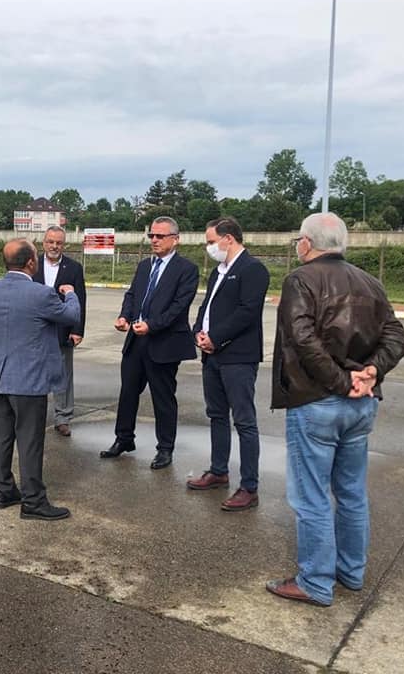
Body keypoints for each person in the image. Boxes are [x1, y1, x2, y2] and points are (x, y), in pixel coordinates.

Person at [266, 213, 404, 607]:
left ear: (307, 243)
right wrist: (371, 372)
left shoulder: (301, 280)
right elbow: (396, 337)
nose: (298, 245)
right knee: (351, 492)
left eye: (299, 239)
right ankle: (351, 571)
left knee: (311, 496)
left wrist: (346, 381)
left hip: (317, 401)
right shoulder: (370, 281)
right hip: (360, 404)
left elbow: (303, 339)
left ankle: (315, 581)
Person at [0, 239, 81, 520]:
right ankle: (33, 501)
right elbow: (71, 316)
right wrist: (71, 294)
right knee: (30, 441)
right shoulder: (41, 294)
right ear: (31, 262)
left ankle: (4, 490)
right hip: (29, 380)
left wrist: (7, 336)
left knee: (3, 437)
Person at [100, 216, 199, 470]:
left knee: (162, 397)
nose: (154, 240)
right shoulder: (145, 266)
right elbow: (132, 295)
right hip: (136, 340)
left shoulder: (186, 269)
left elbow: (179, 307)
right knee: (128, 392)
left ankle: (165, 448)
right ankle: (124, 439)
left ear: (175, 239)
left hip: (163, 343)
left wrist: (152, 325)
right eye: (151, 236)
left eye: (160, 236)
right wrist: (124, 316)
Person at [188, 217, 270, 511]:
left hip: (238, 357)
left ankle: (249, 487)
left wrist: (216, 337)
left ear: (229, 239)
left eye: (211, 241)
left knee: (244, 421)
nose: (208, 247)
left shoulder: (253, 269)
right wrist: (198, 331)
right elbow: (207, 306)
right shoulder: (218, 271)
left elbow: (247, 312)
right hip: (212, 355)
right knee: (216, 415)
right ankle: (218, 470)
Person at [31, 225, 86, 437]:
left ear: (64, 245)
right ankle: (34, 416)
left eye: (59, 243)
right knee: (34, 373)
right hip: (35, 329)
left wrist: (77, 329)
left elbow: (80, 299)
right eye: (50, 242)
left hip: (62, 330)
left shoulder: (73, 268)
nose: (54, 246)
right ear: (43, 243)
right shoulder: (32, 265)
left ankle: (63, 417)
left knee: (63, 373)